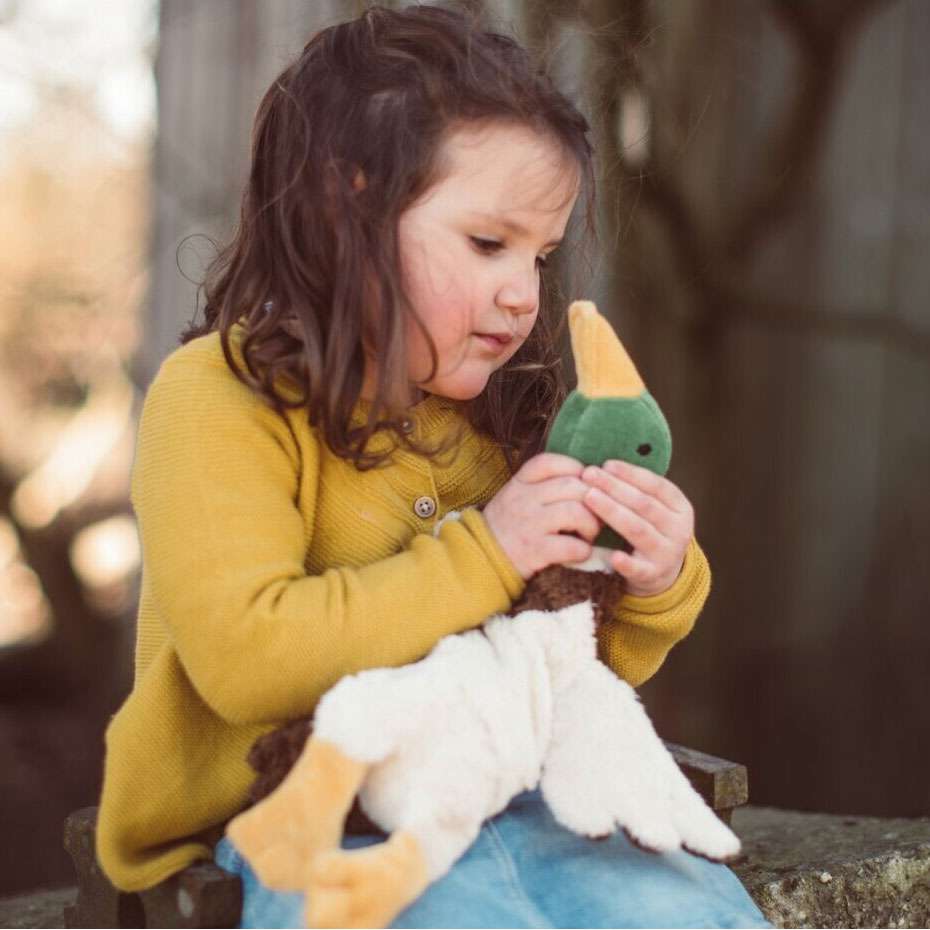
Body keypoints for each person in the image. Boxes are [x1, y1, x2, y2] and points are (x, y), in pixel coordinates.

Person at [96, 5, 768, 928]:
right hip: (298, 818)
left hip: (513, 793)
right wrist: (489, 553)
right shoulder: (220, 398)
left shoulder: (502, 414)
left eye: (539, 255)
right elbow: (250, 659)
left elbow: (556, 666)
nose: (523, 293)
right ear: (346, 204)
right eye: (489, 244)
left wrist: (649, 581)